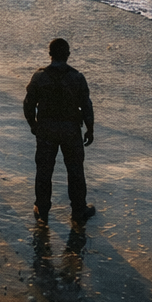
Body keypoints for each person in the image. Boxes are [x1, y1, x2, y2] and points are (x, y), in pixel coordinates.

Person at [23, 37, 96, 224]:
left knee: (44, 170)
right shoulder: (77, 77)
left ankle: (42, 209)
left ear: (50, 55)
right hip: (71, 130)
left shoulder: (39, 77)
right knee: (75, 171)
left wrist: (33, 125)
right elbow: (86, 106)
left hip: (46, 130)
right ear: (68, 55)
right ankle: (78, 211)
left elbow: (28, 104)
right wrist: (90, 128)